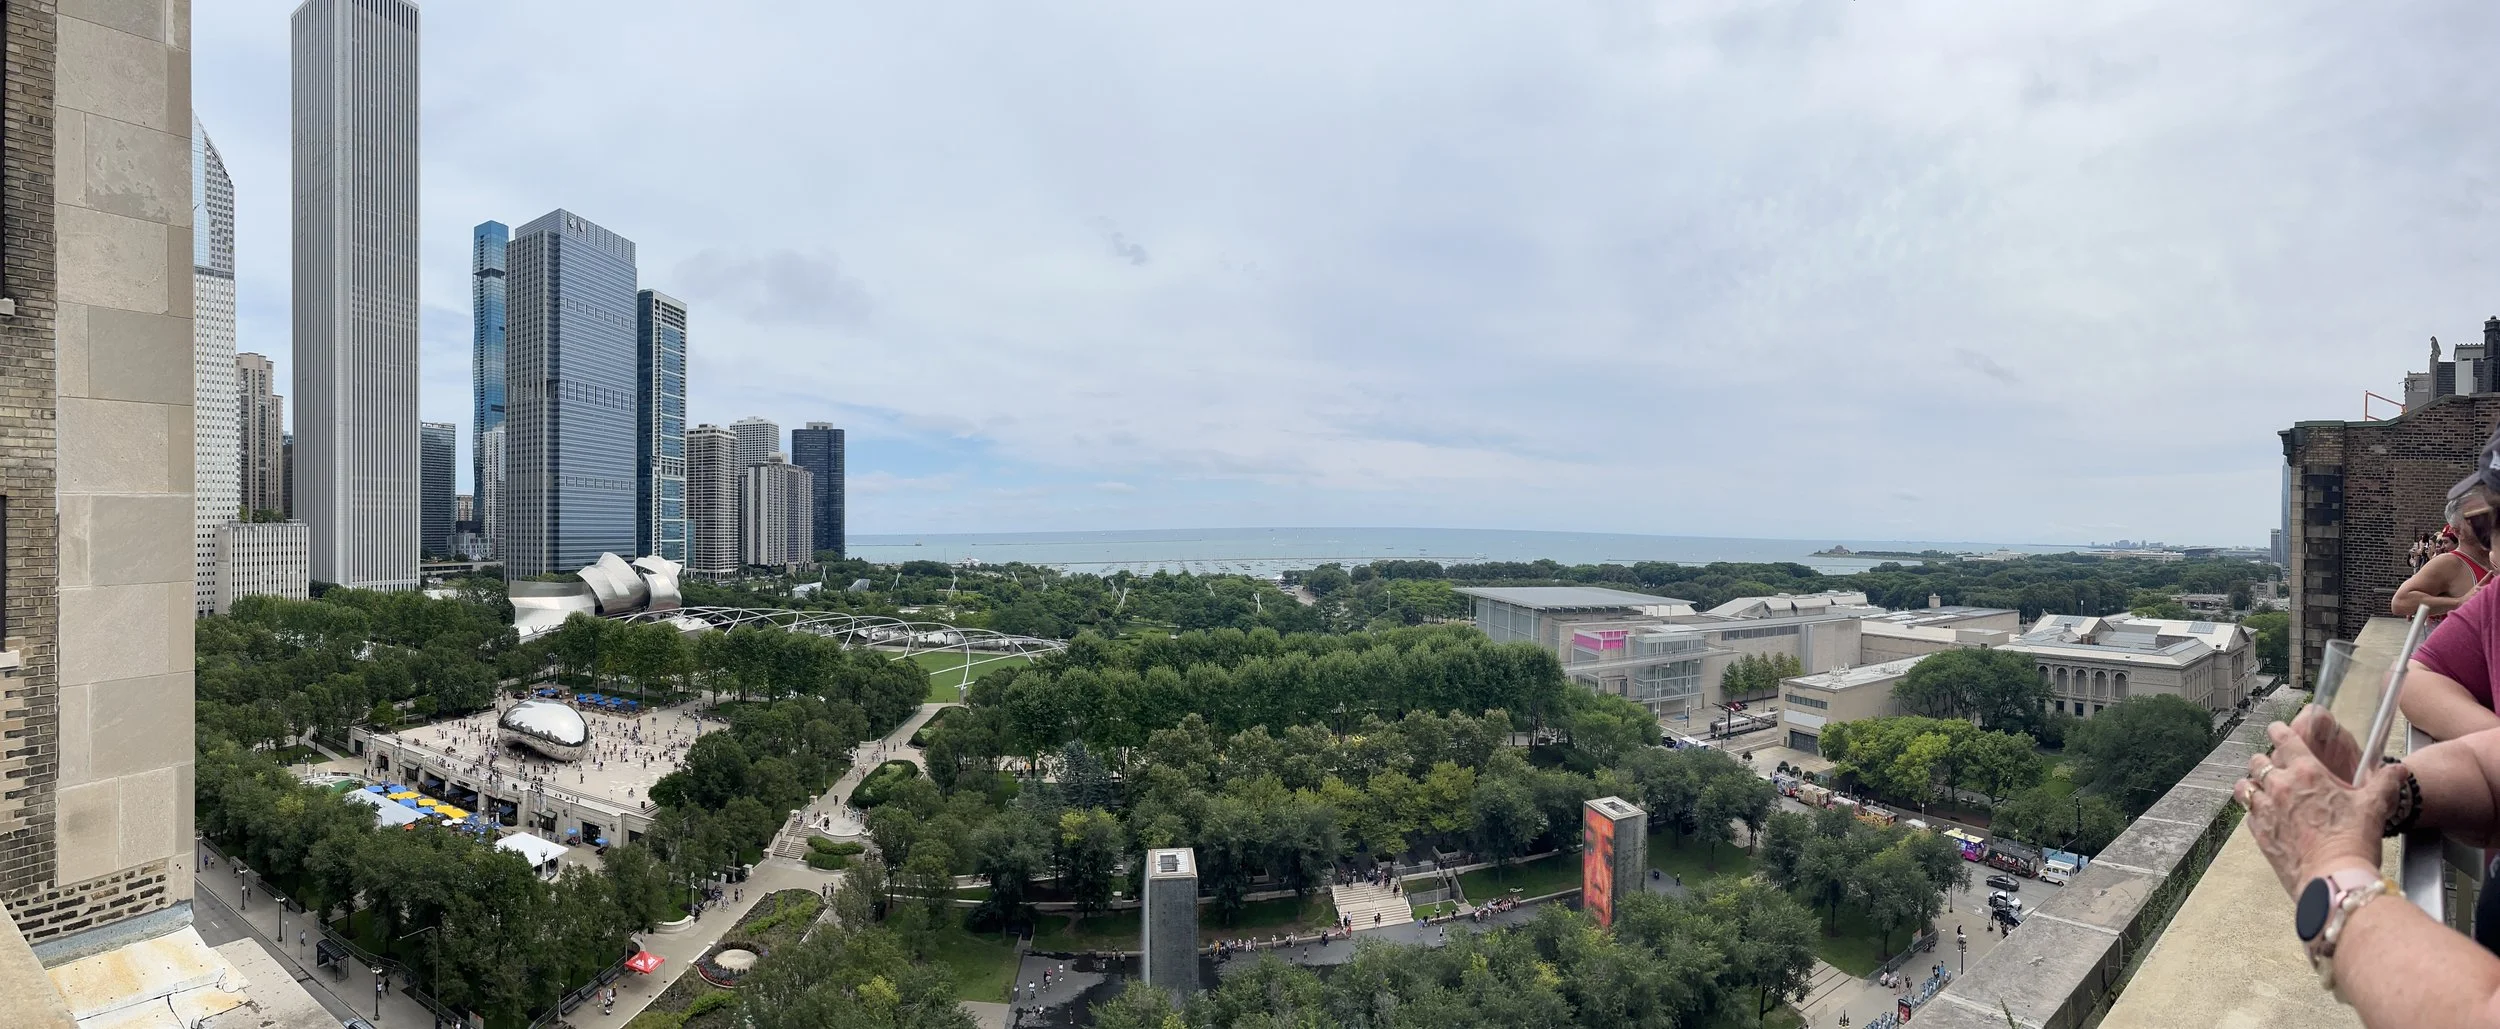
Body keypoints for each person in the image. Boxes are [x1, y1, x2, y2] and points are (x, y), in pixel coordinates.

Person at [2402, 461, 2500, 741]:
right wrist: (2459, 602)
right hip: (2455, 664)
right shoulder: (2449, 562)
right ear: (2456, 529)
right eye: (2482, 521)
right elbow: (2401, 602)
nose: (2491, 530)